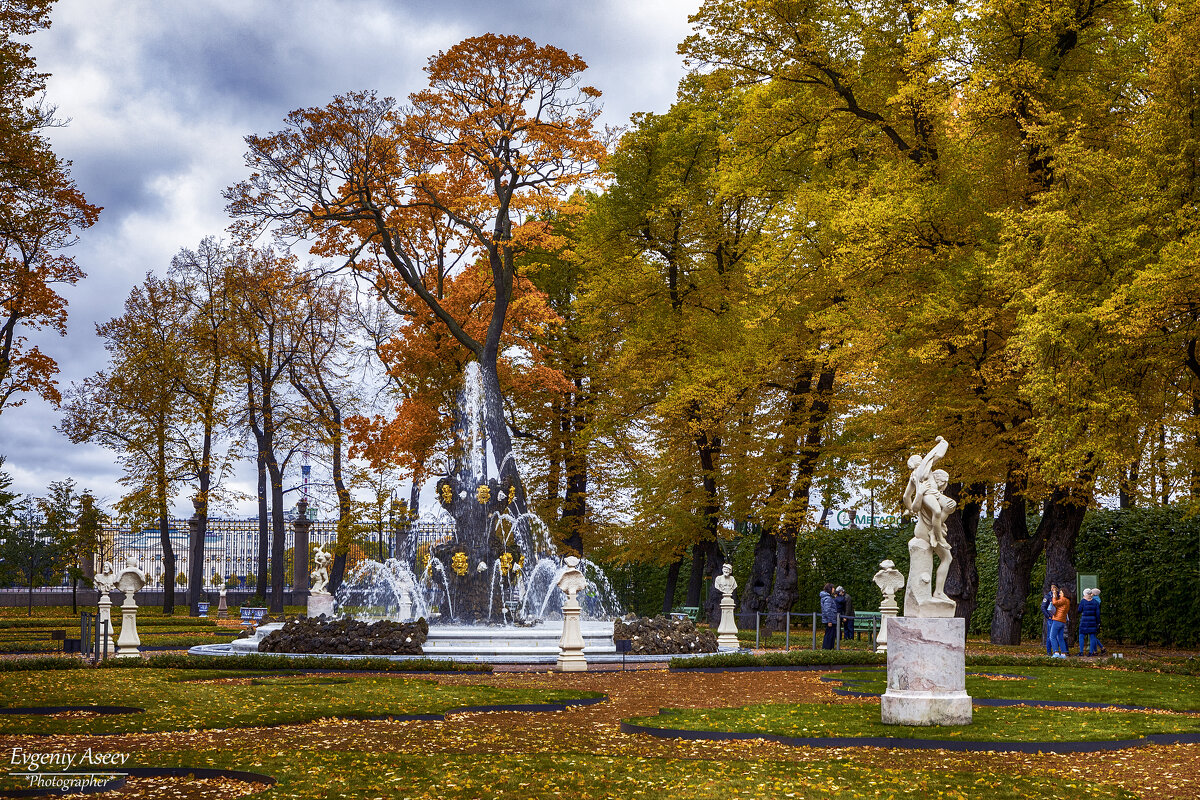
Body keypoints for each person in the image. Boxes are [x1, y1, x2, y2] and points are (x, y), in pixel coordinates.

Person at [1077, 588, 1104, 656]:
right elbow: (1097, 614)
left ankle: (1081, 652)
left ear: (1085, 594)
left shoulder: (1083, 601)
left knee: (1081, 636)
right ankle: (1091, 652)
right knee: (1092, 636)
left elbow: (1079, 610)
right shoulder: (1095, 602)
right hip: (1093, 621)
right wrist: (1098, 622)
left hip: (1084, 621)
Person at [1047, 583, 1070, 658]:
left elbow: (1055, 603)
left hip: (1057, 620)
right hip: (1062, 621)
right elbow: (1058, 604)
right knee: (1060, 637)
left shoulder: (1063, 599)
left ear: (1064, 593)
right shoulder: (1067, 601)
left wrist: (1054, 595)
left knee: (1052, 636)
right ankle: (1063, 653)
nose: (1059, 594)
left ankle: (1056, 652)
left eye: (1061, 592)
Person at [820, 583, 838, 649]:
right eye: (833, 588)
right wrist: (829, 620)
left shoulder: (827, 597)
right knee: (829, 636)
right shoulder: (828, 598)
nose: (834, 589)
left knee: (829, 635)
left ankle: (828, 649)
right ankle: (827, 649)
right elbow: (827, 610)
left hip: (830, 619)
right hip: (830, 620)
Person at [1040, 588, 1054, 656]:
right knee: (1050, 635)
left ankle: (1056, 651)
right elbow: (1043, 607)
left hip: (1057, 618)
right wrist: (1048, 616)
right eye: (1052, 587)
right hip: (1051, 618)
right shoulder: (1048, 596)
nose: (1053, 589)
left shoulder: (1059, 596)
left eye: (1054, 587)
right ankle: (1049, 651)